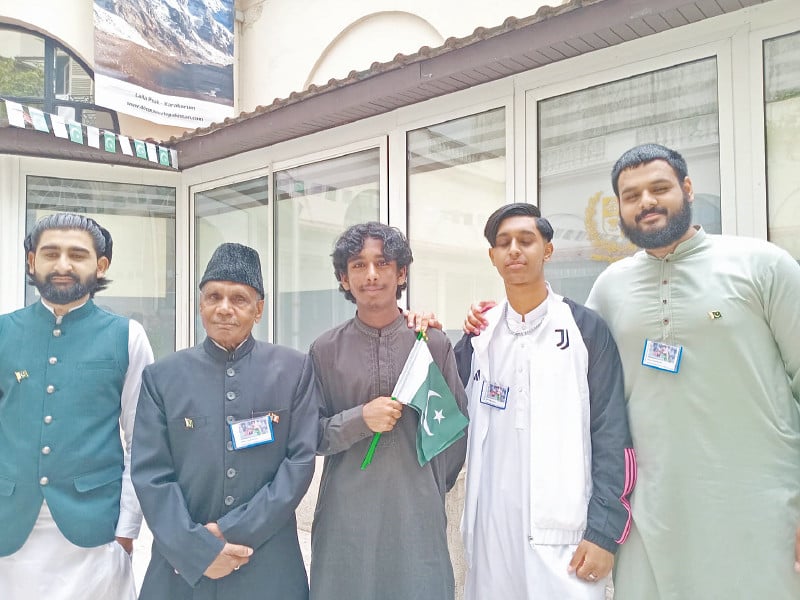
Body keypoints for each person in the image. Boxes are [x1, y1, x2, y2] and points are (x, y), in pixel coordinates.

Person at [465, 144, 800, 598]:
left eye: (659, 188)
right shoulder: (612, 287)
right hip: (649, 517)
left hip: (759, 509)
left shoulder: (763, 266)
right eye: (631, 195)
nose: (646, 203)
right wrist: (491, 319)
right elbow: (589, 397)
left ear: (686, 189)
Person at [452, 203, 635, 599]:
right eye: (504, 243)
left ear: (547, 250)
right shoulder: (480, 336)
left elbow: (611, 433)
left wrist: (604, 532)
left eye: (526, 240)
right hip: (491, 537)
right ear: (493, 257)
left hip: (565, 539)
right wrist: (422, 327)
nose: (514, 250)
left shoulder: (584, 329)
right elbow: (444, 410)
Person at [132, 243, 320, 599]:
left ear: (259, 309)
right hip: (181, 566)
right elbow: (151, 474)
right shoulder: (162, 377)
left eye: (239, 299)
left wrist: (230, 532)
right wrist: (195, 548)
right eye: (213, 296)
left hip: (267, 560)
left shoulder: (293, 370)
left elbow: (299, 463)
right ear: (200, 304)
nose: (224, 309)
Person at [308, 222, 468, 600]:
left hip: (417, 520)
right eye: (358, 265)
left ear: (402, 273)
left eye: (382, 263)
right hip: (345, 520)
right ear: (344, 279)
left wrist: (422, 486)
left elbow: (454, 435)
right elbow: (308, 435)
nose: (372, 275)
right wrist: (358, 420)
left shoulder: (432, 344)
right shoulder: (324, 350)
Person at [0, 212, 154, 599]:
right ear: (32, 261)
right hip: (9, 526)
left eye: (77, 254)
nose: (63, 265)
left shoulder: (128, 337)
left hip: (95, 529)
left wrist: (127, 528)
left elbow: (143, 440)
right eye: (51, 253)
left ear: (100, 265)